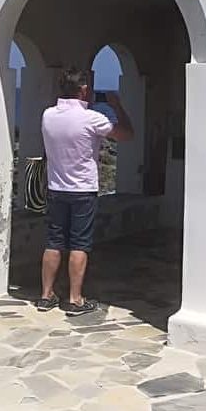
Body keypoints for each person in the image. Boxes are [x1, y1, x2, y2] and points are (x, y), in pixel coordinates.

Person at [37, 68, 133, 314]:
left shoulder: (48, 115)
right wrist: (117, 106)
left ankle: (46, 295)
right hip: (82, 190)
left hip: (55, 187)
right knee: (79, 244)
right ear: (84, 90)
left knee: (54, 242)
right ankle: (75, 298)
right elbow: (125, 135)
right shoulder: (92, 118)